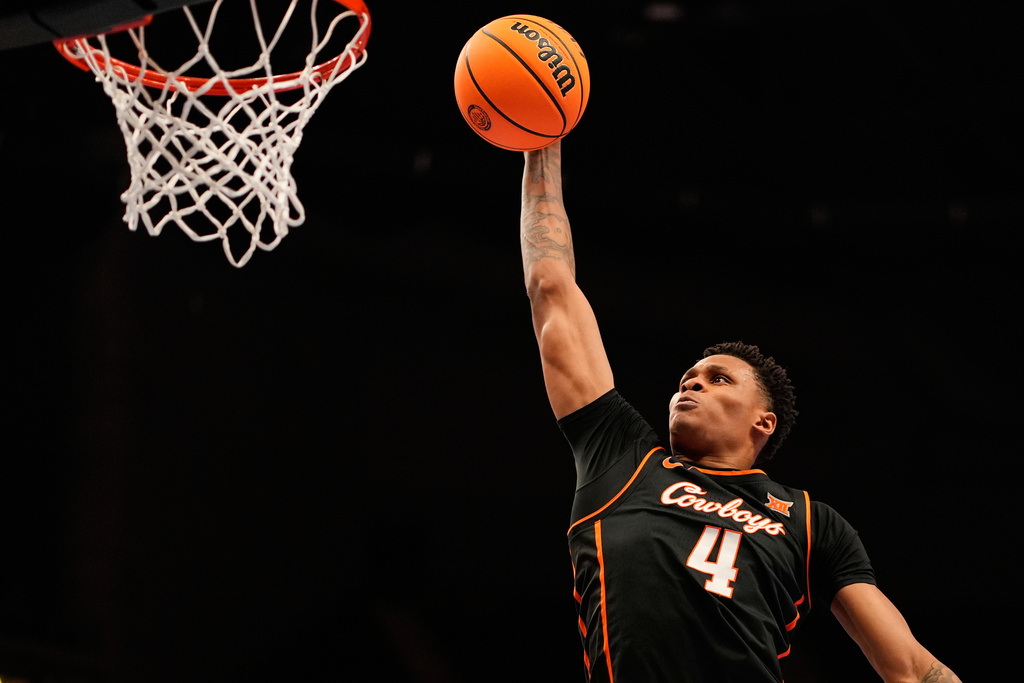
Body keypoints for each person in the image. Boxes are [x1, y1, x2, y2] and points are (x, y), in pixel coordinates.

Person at [519, 140, 961, 683]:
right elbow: (551, 288)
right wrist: (543, 143)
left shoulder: (810, 523)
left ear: (763, 421)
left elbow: (913, 669)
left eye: (717, 379)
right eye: (688, 378)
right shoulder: (623, 457)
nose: (691, 384)